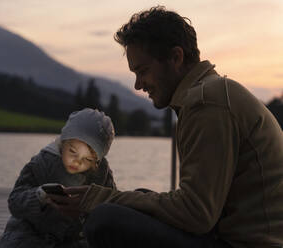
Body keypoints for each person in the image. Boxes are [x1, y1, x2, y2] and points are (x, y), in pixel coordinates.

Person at [47, 6, 283, 248]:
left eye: (143, 71)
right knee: (134, 200)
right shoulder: (212, 94)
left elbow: (196, 214)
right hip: (226, 236)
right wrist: (106, 198)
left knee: (105, 219)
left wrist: (99, 199)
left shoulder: (207, 105)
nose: (138, 85)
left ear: (176, 58)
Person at [0, 108, 116, 248]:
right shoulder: (42, 164)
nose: (77, 161)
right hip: (31, 232)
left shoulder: (102, 174)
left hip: (72, 239)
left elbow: (111, 207)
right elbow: (15, 201)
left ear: (98, 160)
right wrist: (38, 196)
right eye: (73, 152)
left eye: (87, 159)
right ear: (63, 142)